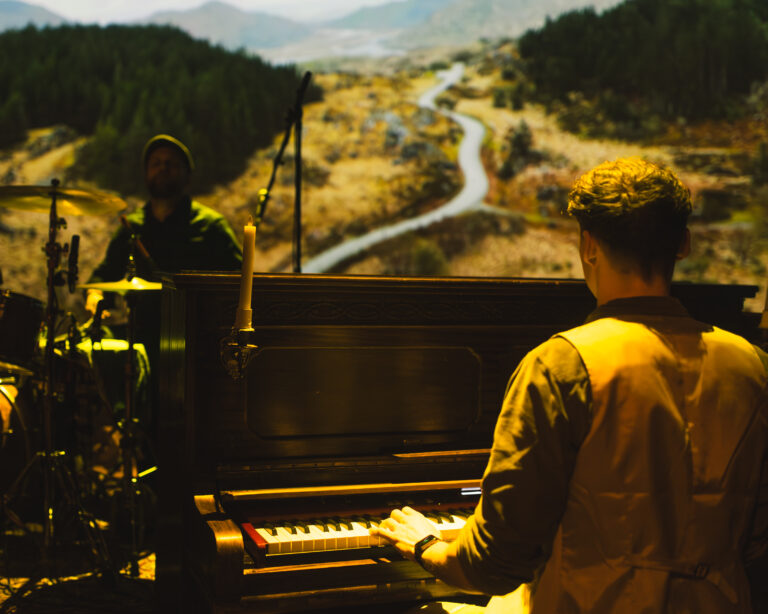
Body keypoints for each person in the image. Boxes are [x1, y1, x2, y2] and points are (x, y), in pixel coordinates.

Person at [372, 157, 768, 613]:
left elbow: (496, 562)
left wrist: (426, 545)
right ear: (682, 244)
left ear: (589, 245)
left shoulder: (562, 365)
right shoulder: (753, 365)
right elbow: (757, 544)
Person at [86, 134, 243, 358]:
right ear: (146, 173)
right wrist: (95, 294)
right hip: (142, 342)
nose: (163, 168)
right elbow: (104, 275)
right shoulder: (131, 228)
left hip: (200, 343)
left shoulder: (212, 226)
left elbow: (240, 279)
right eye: (156, 163)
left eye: (171, 163)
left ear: (187, 174)